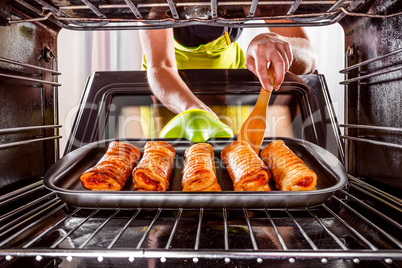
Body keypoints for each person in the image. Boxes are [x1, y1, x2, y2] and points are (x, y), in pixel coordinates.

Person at [139, 23, 316, 118]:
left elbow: (310, 57)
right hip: (167, 89)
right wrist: (192, 109)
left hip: (229, 76)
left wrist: (280, 44)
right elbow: (161, 66)